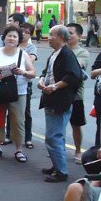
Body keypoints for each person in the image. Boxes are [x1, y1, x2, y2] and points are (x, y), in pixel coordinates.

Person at [0, 25, 36, 163]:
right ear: (4, 37)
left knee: (18, 122)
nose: (12, 38)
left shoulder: (23, 54)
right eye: (9, 35)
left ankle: (18, 149)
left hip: (19, 92)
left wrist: (23, 72)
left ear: (19, 40)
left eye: (15, 36)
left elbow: (33, 73)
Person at [38, 25, 82, 182]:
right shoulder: (55, 54)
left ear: (61, 38)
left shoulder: (66, 54)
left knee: (53, 137)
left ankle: (61, 171)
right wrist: (42, 80)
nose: (49, 37)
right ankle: (57, 165)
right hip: (51, 99)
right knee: (57, 136)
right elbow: (46, 71)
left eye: (51, 35)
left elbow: (74, 76)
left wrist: (55, 86)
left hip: (59, 101)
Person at [4, 22, 38, 149]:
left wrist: (22, 67)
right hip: (7, 86)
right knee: (9, 113)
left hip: (23, 86)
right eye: (22, 31)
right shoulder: (3, 49)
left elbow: (31, 61)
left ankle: (27, 139)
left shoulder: (30, 49)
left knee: (24, 114)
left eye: (27, 32)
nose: (24, 34)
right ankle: (8, 136)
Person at [67, 23, 89, 163]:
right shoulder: (60, 49)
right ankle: (58, 150)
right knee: (58, 124)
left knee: (76, 125)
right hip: (59, 94)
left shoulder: (83, 53)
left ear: (79, 36)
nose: (68, 35)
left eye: (71, 33)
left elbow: (75, 68)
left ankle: (78, 150)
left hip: (75, 94)